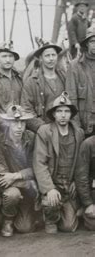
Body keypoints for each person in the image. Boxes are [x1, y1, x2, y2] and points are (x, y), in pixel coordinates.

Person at [33, 92, 84, 234]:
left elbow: (80, 162)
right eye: (59, 111)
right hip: (53, 183)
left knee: (68, 227)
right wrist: (49, 188)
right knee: (51, 214)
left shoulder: (78, 133)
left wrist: (76, 181)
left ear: (71, 114)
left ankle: (68, 210)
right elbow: (40, 163)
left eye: (67, 111)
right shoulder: (45, 132)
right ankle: (50, 217)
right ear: (54, 114)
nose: (63, 115)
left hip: (69, 185)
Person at [0, 105, 38, 237]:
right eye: (15, 123)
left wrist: (17, 175)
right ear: (8, 124)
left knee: (25, 228)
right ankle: (8, 219)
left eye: (22, 122)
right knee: (12, 194)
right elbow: (2, 177)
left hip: (28, 194)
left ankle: (27, 214)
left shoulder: (32, 138)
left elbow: (37, 167)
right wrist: (27, 183)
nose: (19, 127)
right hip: (11, 190)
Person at [21, 41, 65, 133]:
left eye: (53, 55)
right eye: (47, 56)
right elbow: (27, 110)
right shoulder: (31, 82)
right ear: (41, 58)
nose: (51, 59)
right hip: (43, 131)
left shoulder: (64, 78)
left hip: (64, 128)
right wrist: (43, 128)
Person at [66, 26, 95, 137]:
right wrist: (76, 125)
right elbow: (71, 97)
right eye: (92, 41)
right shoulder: (75, 66)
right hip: (84, 123)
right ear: (87, 43)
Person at [75, 133, 95, 231]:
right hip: (93, 192)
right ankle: (83, 209)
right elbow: (81, 177)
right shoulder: (88, 144)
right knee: (93, 225)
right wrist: (88, 203)